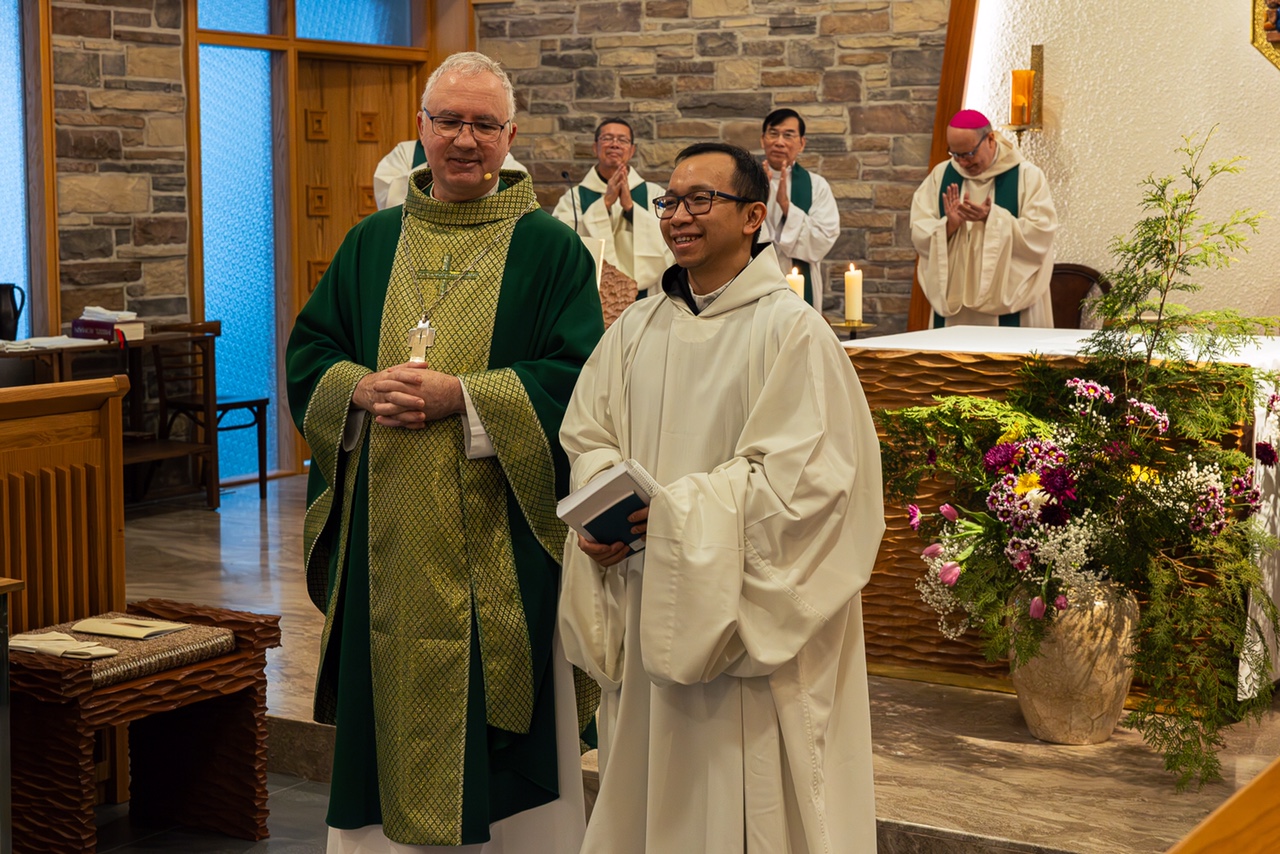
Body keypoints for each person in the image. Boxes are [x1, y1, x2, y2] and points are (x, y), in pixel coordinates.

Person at [286, 51, 604, 852]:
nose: (465, 140)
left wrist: (462, 396)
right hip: (384, 541)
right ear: (419, 128)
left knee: (500, 756)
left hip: (499, 544)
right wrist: (358, 388)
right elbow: (312, 349)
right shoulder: (372, 241)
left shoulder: (550, 249)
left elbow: (579, 380)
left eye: (484, 125)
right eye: (449, 121)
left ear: (511, 136)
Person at [558, 142, 884, 853]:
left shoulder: (791, 332)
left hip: (742, 629)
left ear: (752, 216)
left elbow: (812, 486)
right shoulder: (638, 328)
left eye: (699, 200)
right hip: (648, 598)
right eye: (670, 201)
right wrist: (601, 505)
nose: (678, 216)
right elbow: (588, 433)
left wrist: (675, 515)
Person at [910, 108, 1058, 327]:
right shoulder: (940, 176)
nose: (963, 163)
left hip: (1012, 306)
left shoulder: (1027, 176)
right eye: (955, 154)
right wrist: (948, 226)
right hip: (956, 308)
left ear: (990, 139)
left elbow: (1041, 233)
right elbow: (919, 232)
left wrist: (993, 218)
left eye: (969, 154)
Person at [552, 118, 673, 299]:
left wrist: (630, 208)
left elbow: (670, 235)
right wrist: (604, 205)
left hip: (646, 294)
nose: (614, 144)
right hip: (592, 293)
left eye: (622, 140)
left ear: (632, 150)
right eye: (607, 138)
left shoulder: (653, 193)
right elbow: (563, 242)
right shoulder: (574, 197)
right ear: (595, 147)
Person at [759, 108, 840, 311]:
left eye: (788, 135)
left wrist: (786, 206)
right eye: (773, 133)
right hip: (757, 282)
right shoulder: (745, 183)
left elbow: (823, 238)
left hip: (801, 283)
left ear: (801, 143)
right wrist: (759, 200)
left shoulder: (816, 185)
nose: (779, 142)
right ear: (763, 140)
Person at [374, 139, 526, 210]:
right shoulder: (406, 152)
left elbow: (515, 189)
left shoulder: (494, 155)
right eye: (449, 122)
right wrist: (433, 168)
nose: (463, 141)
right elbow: (387, 195)